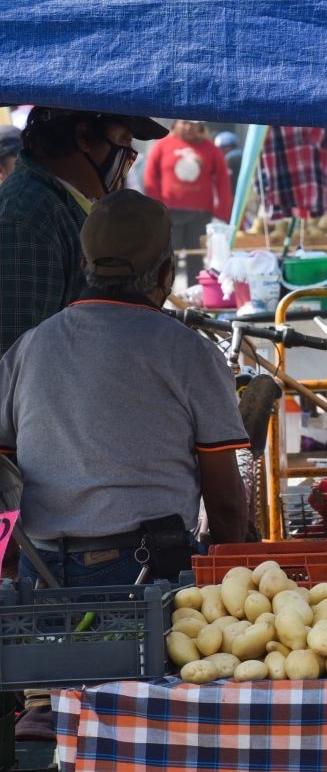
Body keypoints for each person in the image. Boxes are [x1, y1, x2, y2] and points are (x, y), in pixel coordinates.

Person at [0, 189, 249, 741]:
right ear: (164, 275)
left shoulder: (28, 349)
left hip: (41, 589)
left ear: (85, 264)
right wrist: (241, 590)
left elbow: (4, 475)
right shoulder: (188, 352)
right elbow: (227, 502)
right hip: (148, 582)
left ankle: (48, 710)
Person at [0, 107, 167, 356]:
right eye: (123, 140)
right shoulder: (28, 214)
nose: (128, 157)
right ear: (84, 136)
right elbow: (13, 356)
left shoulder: (63, 201)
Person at [142, 119, 233, 286]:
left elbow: (223, 181)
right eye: (184, 123)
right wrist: (156, 207)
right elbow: (150, 177)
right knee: (168, 256)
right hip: (169, 212)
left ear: (200, 126)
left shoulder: (210, 148)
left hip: (200, 214)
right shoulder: (162, 145)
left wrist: (222, 213)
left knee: (196, 256)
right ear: (176, 124)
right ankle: (164, 292)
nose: (189, 127)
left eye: (193, 124)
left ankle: (196, 293)